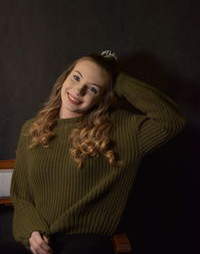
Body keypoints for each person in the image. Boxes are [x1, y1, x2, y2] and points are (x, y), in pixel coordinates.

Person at [6, 51, 186, 254]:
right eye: (76, 77)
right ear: (65, 77)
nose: (79, 90)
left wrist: (116, 78)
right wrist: (30, 231)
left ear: (103, 96)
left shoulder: (120, 131)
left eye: (93, 88)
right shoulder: (32, 129)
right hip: (38, 243)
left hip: (85, 244)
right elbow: (21, 194)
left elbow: (171, 121)